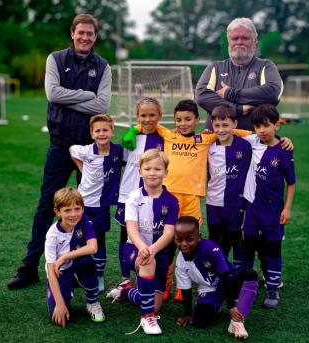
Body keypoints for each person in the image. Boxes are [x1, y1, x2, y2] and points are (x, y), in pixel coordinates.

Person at [7, 13, 111, 289]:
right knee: (46, 207)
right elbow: (53, 94)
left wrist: (73, 97)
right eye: (81, 32)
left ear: (95, 37)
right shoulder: (55, 59)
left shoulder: (103, 66)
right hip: (60, 146)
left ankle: (84, 269)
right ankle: (29, 267)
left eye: (90, 33)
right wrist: (87, 96)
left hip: (90, 152)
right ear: (72, 33)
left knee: (87, 209)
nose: (85, 37)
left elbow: (102, 106)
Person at [122, 99, 253, 302]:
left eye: (188, 119)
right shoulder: (169, 135)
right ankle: (164, 286)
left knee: (190, 244)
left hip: (192, 199)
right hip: (169, 199)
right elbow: (150, 123)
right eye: (179, 120)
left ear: (197, 120)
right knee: (166, 244)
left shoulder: (204, 138)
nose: (183, 123)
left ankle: (184, 289)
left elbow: (233, 132)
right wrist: (133, 130)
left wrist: (269, 137)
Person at [106, 149, 179, 335]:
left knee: (155, 305)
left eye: (157, 168)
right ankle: (147, 318)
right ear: (140, 171)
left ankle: (125, 291)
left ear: (166, 172)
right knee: (149, 261)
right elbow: (131, 229)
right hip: (134, 248)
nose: (152, 172)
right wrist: (144, 248)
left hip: (160, 250)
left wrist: (152, 249)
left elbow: (169, 233)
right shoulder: (133, 198)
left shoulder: (172, 201)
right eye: (147, 168)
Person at [241, 104, 296, 309]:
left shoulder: (284, 150)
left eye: (266, 126)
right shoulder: (252, 142)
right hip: (252, 209)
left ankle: (272, 288)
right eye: (257, 126)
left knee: (272, 250)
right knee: (248, 250)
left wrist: (287, 208)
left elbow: (291, 182)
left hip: (273, 211)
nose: (261, 130)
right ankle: (245, 287)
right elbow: (230, 132)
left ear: (276, 125)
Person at [174, 216, 258, 340]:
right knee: (199, 322)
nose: (184, 244)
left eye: (189, 239)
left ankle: (237, 323)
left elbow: (226, 277)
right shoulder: (180, 262)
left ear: (199, 237)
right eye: (179, 240)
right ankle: (214, 304)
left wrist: (231, 306)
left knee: (250, 274)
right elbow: (186, 289)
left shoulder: (211, 249)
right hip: (210, 289)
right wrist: (188, 313)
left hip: (230, 281)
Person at [196, 17, 283, 131]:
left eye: (245, 38)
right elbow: (202, 97)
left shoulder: (266, 66)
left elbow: (272, 93)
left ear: (255, 42)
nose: (239, 42)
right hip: (217, 143)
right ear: (229, 42)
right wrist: (238, 109)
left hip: (255, 143)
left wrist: (230, 93)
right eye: (234, 38)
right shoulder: (215, 67)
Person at [69, 114, 123, 293]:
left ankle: (98, 275)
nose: (101, 133)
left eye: (105, 130)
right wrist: (82, 169)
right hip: (83, 204)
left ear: (112, 132)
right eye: (97, 130)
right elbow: (71, 149)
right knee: (78, 238)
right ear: (91, 134)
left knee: (99, 241)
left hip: (102, 206)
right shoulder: (86, 151)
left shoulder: (118, 151)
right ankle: (76, 271)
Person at [115, 98, 164, 282]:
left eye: (152, 115)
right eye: (143, 115)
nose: (148, 119)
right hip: (128, 194)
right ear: (137, 116)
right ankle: (125, 277)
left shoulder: (164, 139)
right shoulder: (131, 137)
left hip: (153, 195)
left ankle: (148, 274)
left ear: (159, 115)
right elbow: (124, 162)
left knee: (151, 234)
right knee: (126, 235)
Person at [45, 187, 105, 327]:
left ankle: (93, 302)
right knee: (60, 318)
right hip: (61, 273)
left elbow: (93, 247)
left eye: (77, 209)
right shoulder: (52, 235)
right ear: (57, 211)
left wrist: (64, 257)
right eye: (67, 210)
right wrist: (59, 304)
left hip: (77, 267)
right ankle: (63, 295)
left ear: (83, 209)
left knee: (87, 262)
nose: (73, 214)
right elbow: (50, 271)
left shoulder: (83, 221)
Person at [206, 105, 252, 264]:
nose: (221, 129)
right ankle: (218, 272)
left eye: (225, 125)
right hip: (213, 202)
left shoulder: (246, 145)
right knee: (215, 240)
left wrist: (283, 139)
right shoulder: (207, 145)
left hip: (236, 203)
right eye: (217, 125)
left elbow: (266, 138)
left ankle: (239, 272)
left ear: (235, 124)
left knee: (235, 237)